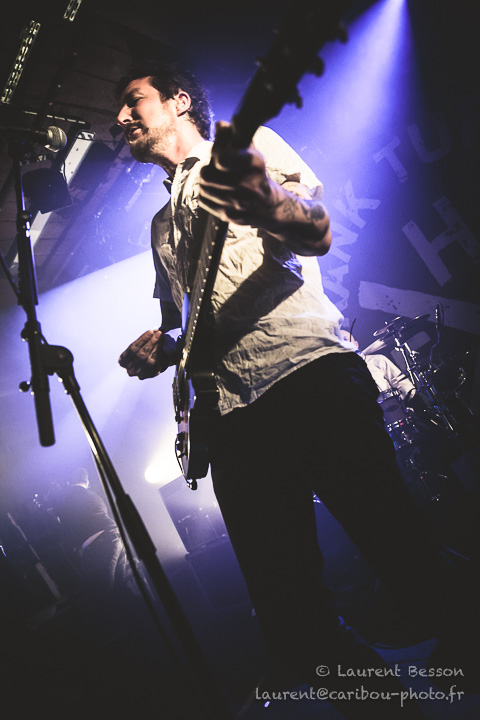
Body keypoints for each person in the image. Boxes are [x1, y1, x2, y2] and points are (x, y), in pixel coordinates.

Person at [115, 60, 478, 717]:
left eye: (132, 100)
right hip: (230, 419)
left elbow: (315, 231)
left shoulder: (245, 148)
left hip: (307, 376)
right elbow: (183, 321)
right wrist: (161, 347)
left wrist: (265, 201)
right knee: (290, 626)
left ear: (177, 101)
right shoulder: (159, 227)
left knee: (406, 560)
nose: (120, 117)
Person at [53, 468, 130, 597]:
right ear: (87, 481)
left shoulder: (67, 497)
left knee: (105, 593)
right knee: (121, 588)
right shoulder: (94, 496)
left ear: (70, 481)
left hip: (100, 544)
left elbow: (61, 523)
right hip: (116, 538)